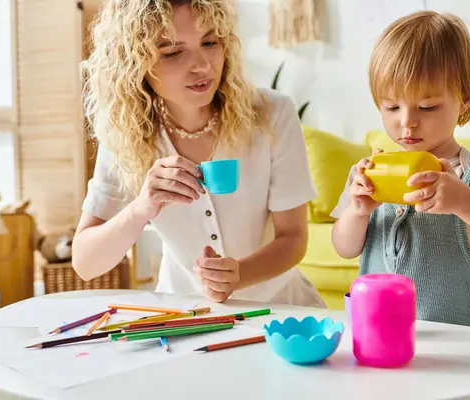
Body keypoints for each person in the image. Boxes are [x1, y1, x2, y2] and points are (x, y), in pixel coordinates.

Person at [73, 0, 325, 308]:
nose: (203, 65)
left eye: (209, 42)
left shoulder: (272, 114)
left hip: (280, 311)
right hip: (185, 316)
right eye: (173, 51)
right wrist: (141, 209)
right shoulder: (126, 134)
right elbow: (85, 263)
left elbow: (294, 238)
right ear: (134, 62)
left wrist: (239, 275)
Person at [330, 11, 470, 329]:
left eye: (427, 107)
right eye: (391, 107)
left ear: (466, 98)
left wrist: (464, 201)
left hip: (460, 347)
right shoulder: (370, 171)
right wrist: (358, 212)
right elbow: (344, 249)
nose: (407, 122)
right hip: (380, 335)